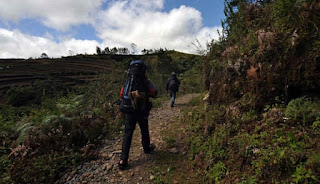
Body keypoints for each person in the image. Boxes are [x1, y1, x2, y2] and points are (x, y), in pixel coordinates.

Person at [118, 60, 158, 170]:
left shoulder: (128, 81)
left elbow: (122, 94)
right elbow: (154, 92)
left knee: (128, 133)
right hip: (141, 109)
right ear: (144, 71)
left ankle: (123, 160)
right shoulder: (145, 81)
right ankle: (146, 148)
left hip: (129, 110)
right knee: (144, 129)